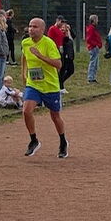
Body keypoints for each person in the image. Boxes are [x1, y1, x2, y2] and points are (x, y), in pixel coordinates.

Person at [20, 17, 68, 158]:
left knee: (55, 116)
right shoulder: (25, 42)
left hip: (50, 86)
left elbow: (59, 64)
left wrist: (40, 56)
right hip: (33, 84)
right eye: (30, 26)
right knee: (26, 111)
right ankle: (34, 140)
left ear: (42, 29)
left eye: (35, 27)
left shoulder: (48, 43)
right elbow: (24, 57)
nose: (31, 29)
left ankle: (63, 142)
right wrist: (23, 73)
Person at [58, 20, 76, 95]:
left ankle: (60, 82)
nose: (64, 28)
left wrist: (70, 29)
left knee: (71, 70)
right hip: (64, 55)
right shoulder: (62, 35)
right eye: (62, 27)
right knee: (62, 71)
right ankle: (61, 87)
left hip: (70, 56)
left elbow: (74, 36)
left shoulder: (68, 34)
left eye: (65, 27)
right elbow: (64, 41)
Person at [85, 15, 103, 84]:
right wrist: (96, 44)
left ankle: (93, 77)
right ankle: (90, 78)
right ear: (94, 20)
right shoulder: (91, 28)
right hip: (93, 47)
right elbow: (89, 39)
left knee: (95, 64)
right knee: (93, 63)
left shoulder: (93, 28)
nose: (97, 21)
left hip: (95, 47)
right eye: (96, 19)